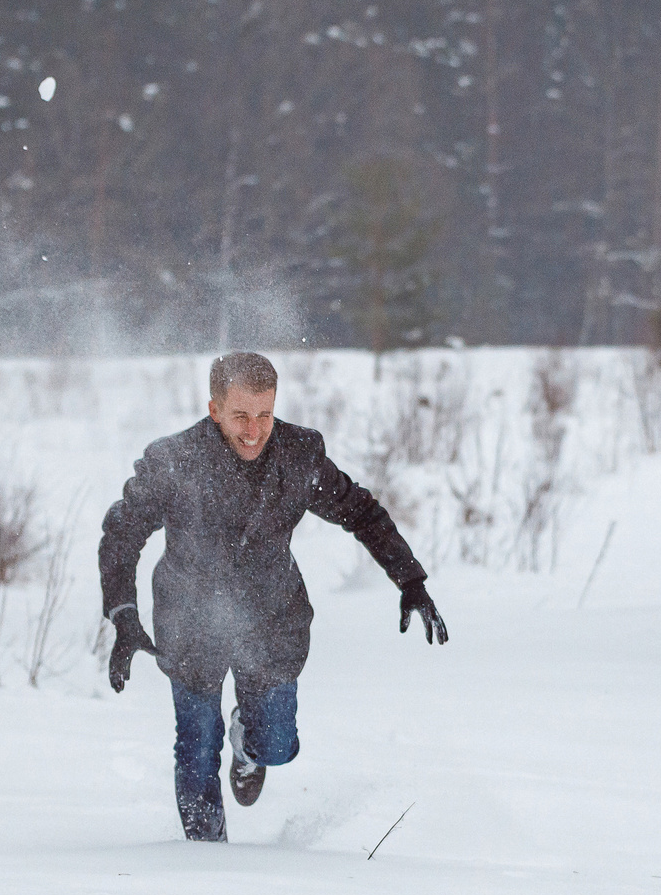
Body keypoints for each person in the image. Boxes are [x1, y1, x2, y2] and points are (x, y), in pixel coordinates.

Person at [99, 350, 447, 841]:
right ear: (214, 408)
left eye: (264, 414)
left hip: (272, 619)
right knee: (197, 746)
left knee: (279, 746)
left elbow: (360, 512)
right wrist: (123, 613)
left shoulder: (299, 454)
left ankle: (249, 745)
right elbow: (122, 533)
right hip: (191, 618)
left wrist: (410, 579)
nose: (253, 430)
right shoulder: (174, 461)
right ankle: (207, 860)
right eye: (240, 415)